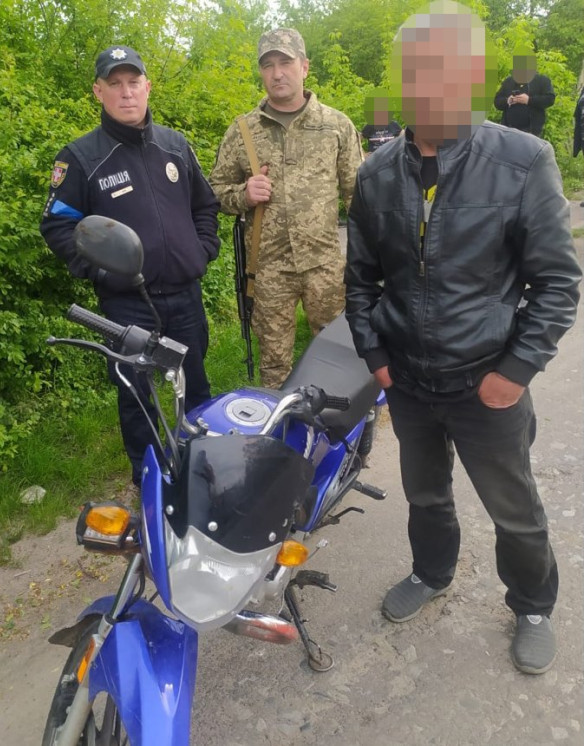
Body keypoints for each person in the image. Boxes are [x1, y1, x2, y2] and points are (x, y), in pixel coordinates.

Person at [345, 1, 581, 675]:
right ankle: (432, 571)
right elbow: (359, 280)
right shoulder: (375, 173)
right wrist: (375, 356)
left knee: (514, 508)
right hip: (408, 382)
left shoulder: (523, 160)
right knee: (424, 495)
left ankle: (532, 604)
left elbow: (558, 282)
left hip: (488, 382)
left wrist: (516, 370)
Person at [40, 45, 220, 487]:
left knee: (195, 388)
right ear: (98, 91)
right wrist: (101, 272)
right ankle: (149, 482)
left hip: (185, 296)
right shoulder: (80, 157)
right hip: (127, 307)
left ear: (147, 87)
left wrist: (202, 250)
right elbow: (58, 226)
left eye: (133, 82)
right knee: (137, 397)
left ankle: (202, 473)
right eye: (115, 84)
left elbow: (205, 205)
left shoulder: (175, 146)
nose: (126, 93)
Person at [209, 28, 364, 388]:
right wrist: (244, 195)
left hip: (325, 266)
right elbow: (214, 193)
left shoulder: (336, 126)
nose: (277, 73)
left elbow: (359, 198)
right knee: (274, 368)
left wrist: (368, 262)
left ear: (304, 66)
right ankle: (281, 423)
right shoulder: (242, 131)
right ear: (261, 72)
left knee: (339, 357)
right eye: (268, 65)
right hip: (268, 272)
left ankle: (341, 420)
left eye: (285, 62)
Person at [494, 49, 555, 137]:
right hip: (508, 130)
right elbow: (497, 102)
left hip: (532, 131)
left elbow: (550, 99)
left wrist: (529, 100)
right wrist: (508, 101)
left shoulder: (542, 80)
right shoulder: (509, 81)